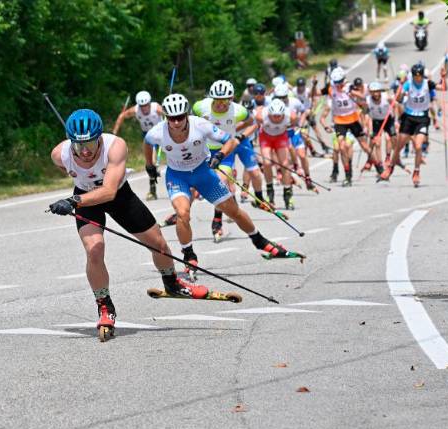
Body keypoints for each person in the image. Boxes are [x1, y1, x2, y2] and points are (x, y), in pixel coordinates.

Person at [49, 109, 208, 338]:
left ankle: (172, 283)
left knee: (158, 244)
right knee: (94, 250)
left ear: (99, 139)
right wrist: (79, 194)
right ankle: (105, 306)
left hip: (118, 197)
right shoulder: (59, 154)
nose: (84, 151)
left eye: (90, 145)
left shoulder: (116, 146)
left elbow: (109, 191)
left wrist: (73, 201)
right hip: (85, 199)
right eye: (78, 146)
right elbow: (70, 169)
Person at [144, 94, 303, 278]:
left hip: (203, 173)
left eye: (181, 117)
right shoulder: (157, 132)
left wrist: (220, 155)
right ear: (166, 117)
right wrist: (149, 165)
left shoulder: (200, 125)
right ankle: (189, 254)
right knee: (182, 213)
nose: (177, 122)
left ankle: (260, 241)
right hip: (178, 176)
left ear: (186, 115)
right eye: (172, 118)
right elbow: (147, 143)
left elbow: (230, 140)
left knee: (233, 211)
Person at [192, 80, 262, 241]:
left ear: (231, 99)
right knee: (195, 188)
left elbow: (253, 123)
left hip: (226, 151)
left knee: (220, 183)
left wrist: (238, 135)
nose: (221, 105)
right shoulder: (200, 106)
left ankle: (217, 221)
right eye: (217, 101)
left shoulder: (239, 111)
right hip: (204, 150)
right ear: (212, 99)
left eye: (225, 101)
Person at [380, 63, 439, 187]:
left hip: (422, 118)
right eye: (416, 76)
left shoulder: (427, 83)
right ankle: (390, 168)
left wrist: (443, 77)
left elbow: (443, 87)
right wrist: (401, 89)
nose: (418, 78)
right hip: (408, 118)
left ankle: (416, 172)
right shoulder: (408, 83)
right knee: (399, 146)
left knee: (418, 146)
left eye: (420, 76)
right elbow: (399, 99)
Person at [319, 67, 370, 187]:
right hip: (338, 124)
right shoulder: (331, 97)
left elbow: (362, 104)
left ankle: (375, 167)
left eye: (339, 83)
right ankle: (338, 171)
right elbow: (322, 116)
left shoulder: (350, 89)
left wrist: (365, 125)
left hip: (352, 122)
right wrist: (325, 125)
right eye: (335, 83)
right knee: (338, 149)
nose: (337, 86)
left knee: (348, 146)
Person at [112, 91, 165, 200]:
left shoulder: (156, 108)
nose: (144, 108)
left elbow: (168, 114)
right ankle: (152, 190)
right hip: (148, 136)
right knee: (150, 163)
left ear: (150, 103)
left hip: (161, 133)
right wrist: (114, 132)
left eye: (146, 105)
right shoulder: (136, 110)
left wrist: (166, 116)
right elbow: (121, 116)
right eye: (142, 106)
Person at [254, 98, 296, 206]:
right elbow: (256, 118)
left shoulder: (290, 116)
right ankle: (270, 191)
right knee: (267, 163)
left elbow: (294, 122)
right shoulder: (262, 115)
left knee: (285, 164)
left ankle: (287, 192)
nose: (277, 118)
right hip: (266, 138)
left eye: (279, 116)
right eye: (274, 116)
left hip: (281, 137)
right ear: (269, 113)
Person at [366, 81, 394, 173]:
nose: (375, 93)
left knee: (389, 138)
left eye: (377, 91)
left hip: (388, 119)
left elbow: (396, 105)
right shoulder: (368, 100)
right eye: (373, 91)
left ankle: (388, 157)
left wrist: (397, 120)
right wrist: (368, 129)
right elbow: (367, 115)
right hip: (376, 121)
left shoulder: (386, 97)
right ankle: (380, 164)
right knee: (377, 143)